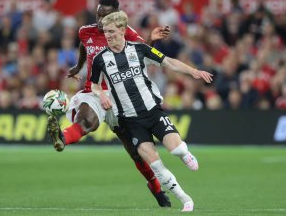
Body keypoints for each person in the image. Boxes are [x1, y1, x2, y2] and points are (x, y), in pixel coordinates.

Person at [47, 0, 172, 207]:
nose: (100, 19)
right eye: (98, 14)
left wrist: (152, 39)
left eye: (105, 15)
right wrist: (78, 67)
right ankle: (61, 137)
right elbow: (83, 46)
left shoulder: (126, 32)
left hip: (121, 96)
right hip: (94, 91)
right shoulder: (85, 31)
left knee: (137, 153)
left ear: (115, 16)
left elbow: (143, 53)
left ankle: (156, 188)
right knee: (88, 122)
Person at [90, 11, 213, 211]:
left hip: (153, 112)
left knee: (177, 149)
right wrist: (101, 95)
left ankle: (185, 153)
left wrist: (194, 72)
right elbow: (94, 85)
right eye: (105, 32)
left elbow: (169, 62)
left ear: (122, 30)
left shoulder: (140, 49)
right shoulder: (100, 59)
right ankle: (185, 199)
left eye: (112, 31)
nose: (108, 35)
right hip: (130, 121)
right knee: (156, 165)